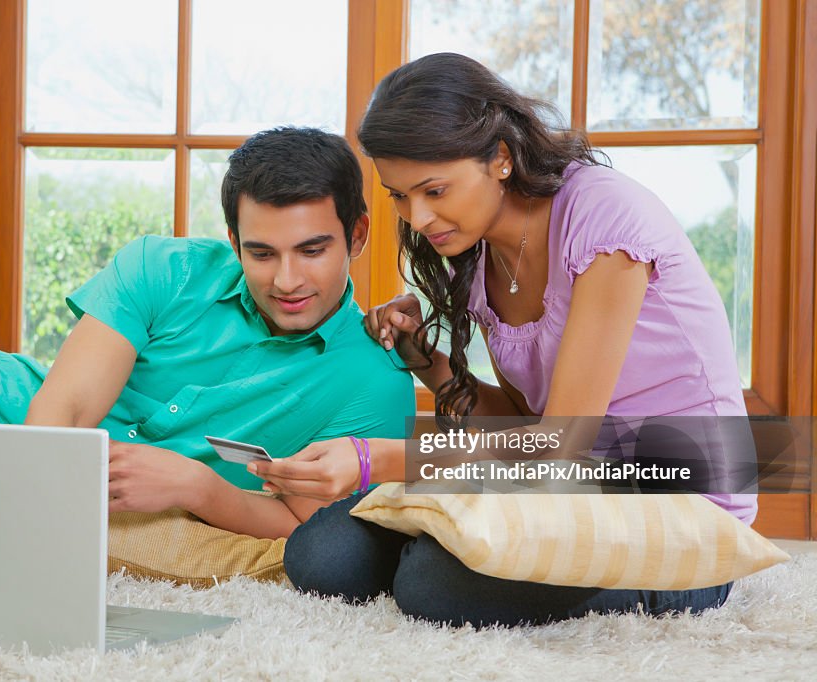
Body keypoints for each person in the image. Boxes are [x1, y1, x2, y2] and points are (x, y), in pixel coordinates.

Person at [251, 53, 755, 628]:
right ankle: (463, 556)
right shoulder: (481, 255)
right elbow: (522, 426)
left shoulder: (604, 219)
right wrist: (422, 357)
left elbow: (559, 447)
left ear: (502, 158)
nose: (417, 217)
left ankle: (466, 562)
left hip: (677, 506)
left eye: (435, 190)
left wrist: (376, 461)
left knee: (434, 584)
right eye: (399, 195)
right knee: (323, 556)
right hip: (563, 489)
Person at [0, 126, 416, 588]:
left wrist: (199, 487)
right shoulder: (163, 268)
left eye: (312, 250)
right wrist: (13, 501)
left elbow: (302, 528)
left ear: (356, 236)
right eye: (261, 253)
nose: (286, 279)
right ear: (233, 241)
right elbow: (64, 406)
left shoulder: (373, 382)